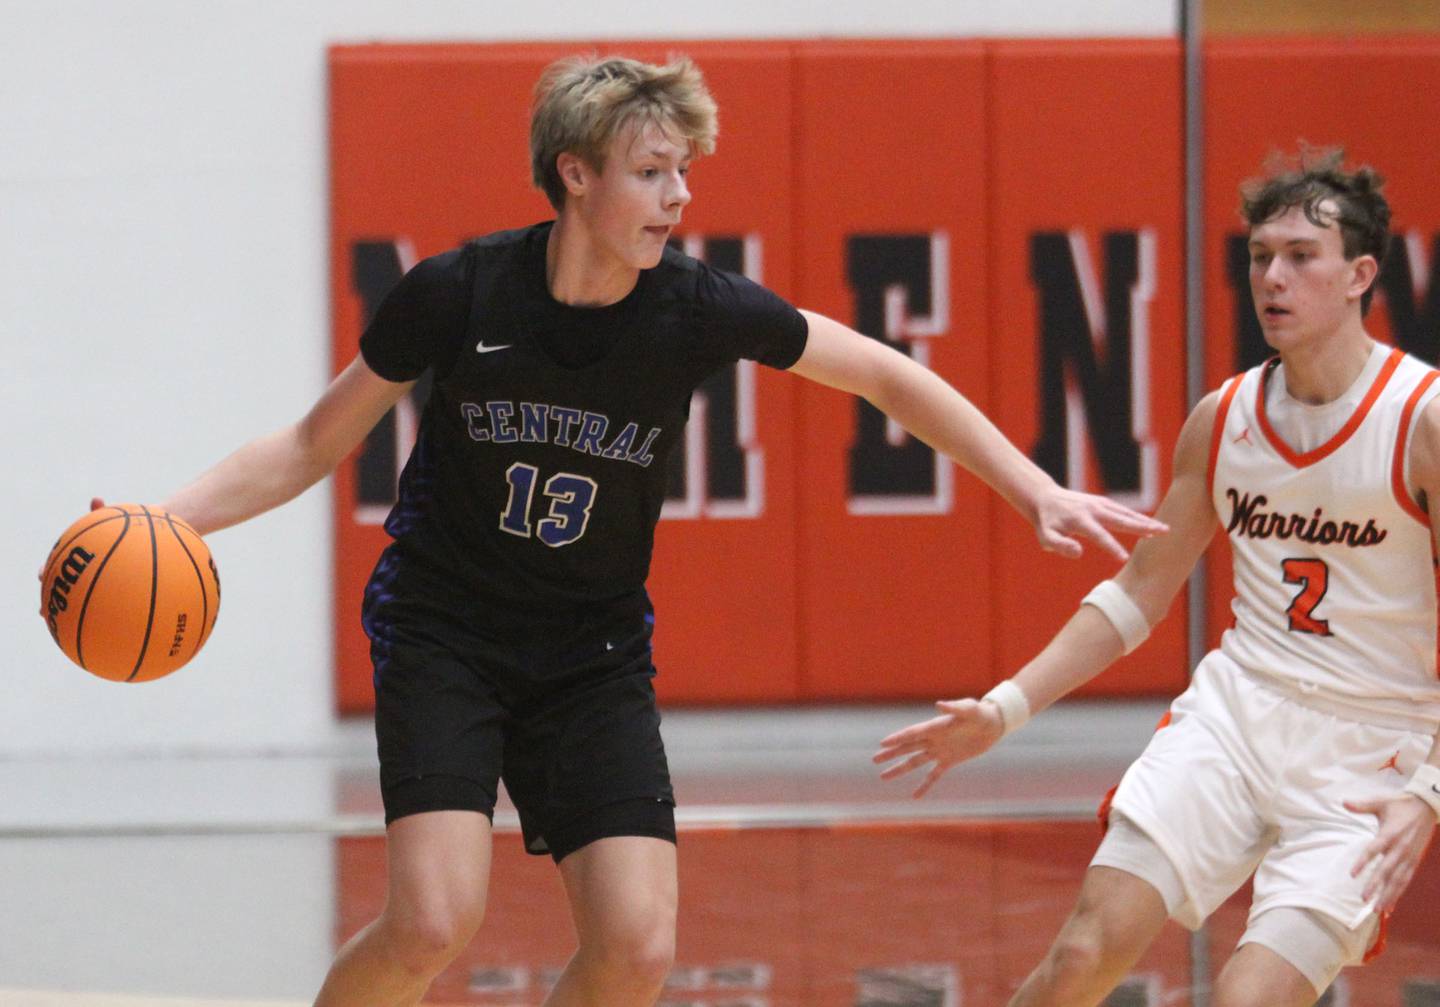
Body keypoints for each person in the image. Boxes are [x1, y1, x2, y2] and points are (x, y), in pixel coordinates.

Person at [107, 56, 1162, 1007]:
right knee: (432, 919)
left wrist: (1033, 488)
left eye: (685, 171)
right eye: (654, 172)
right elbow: (305, 443)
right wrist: (163, 519)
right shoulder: (458, 290)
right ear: (576, 174)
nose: (681, 197)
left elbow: (883, 370)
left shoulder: (694, 307)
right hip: (446, 634)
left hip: (589, 650)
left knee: (638, 946)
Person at [875, 148, 1440, 1007]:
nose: (1272, 278)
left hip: (1372, 751)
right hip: (1237, 718)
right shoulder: (1225, 419)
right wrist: (1006, 707)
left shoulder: (1421, 421)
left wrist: (1428, 793)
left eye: (1300, 256)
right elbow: (1140, 591)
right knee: (1080, 956)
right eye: (1259, 257)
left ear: (1361, 273)